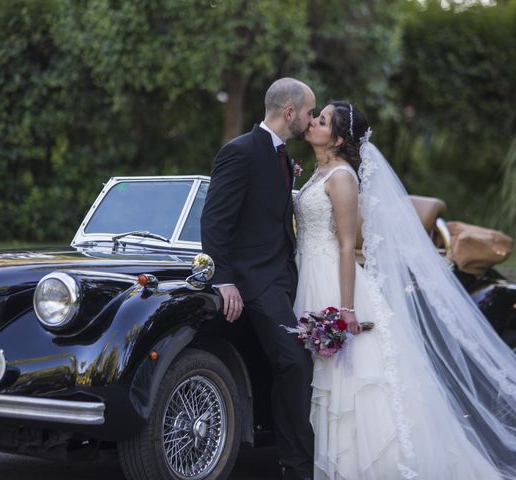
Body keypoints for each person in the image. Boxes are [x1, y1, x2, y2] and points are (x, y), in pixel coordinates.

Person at [294, 100, 516, 479]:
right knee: (327, 382)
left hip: (334, 282)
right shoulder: (319, 173)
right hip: (309, 275)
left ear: (339, 137)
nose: (313, 122)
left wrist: (346, 310)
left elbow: (348, 244)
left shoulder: (343, 177)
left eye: (322, 120)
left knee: (353, 385)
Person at [201, 77, 316, 480]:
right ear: (290, 113)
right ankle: (297, 465)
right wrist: (225, 280)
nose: (311, 119)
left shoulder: (281, 155)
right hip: (254, 282)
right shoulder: (240, 152)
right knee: (294, 361)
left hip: (284, 278)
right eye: (309, 112)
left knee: (301, 360)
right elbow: (215, 221)